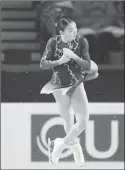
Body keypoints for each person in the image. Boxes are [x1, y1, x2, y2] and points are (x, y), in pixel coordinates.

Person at [40, 17, 98, 167]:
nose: (75, 33)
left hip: (76, 84)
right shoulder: (53, 42)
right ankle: (75, 147)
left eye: (76, 30)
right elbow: (43, 63)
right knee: (68, 120)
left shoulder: (82, 42)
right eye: (71, 31)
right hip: (59, 86)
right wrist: (60, 61)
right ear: (61, 32)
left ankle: (59, 145)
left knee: (83, 122)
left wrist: (73, 56)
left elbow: (87, 63)